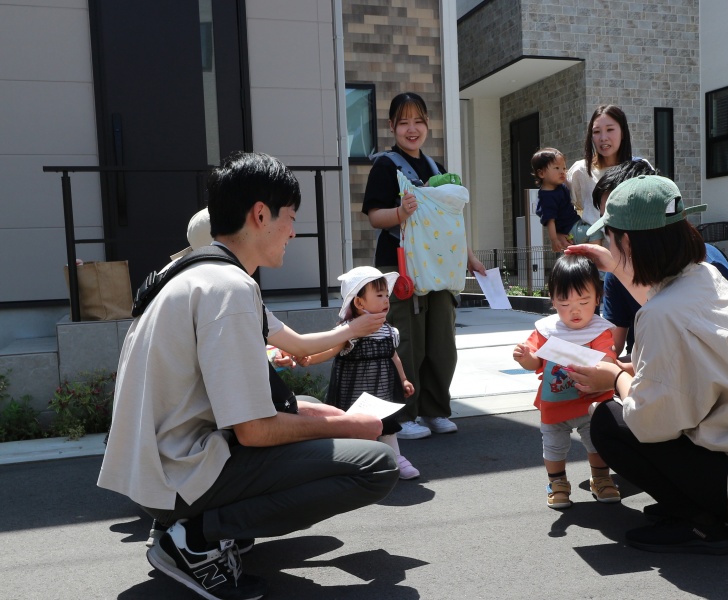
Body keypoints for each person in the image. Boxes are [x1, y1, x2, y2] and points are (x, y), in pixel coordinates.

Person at [98, 152, 399, 600]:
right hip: (180, 478)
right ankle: (196, 540)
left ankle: (202, 527)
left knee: (310, 410)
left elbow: (254, 394)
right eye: (290, 217)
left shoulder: (190, 274)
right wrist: (348, 425)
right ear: (261, 215)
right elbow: (255, 430)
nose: (293, 232)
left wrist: (321, 415)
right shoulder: (231, 289)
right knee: (376, 465)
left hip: (156, 472)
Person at [565, 175, 728, 555]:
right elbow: (676, 327)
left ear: (627, 242)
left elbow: (649, 422)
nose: (607, 246)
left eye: (610, 238)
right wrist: (615, 266)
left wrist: (613, 377)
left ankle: (701, 523)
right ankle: (695, 505)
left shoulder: (662, 316)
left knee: (609, 422)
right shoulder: (705, 276)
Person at [362, 91, 486, 440]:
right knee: (406, 342)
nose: (412, 129)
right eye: (404, 122)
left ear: (428, 125)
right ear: (392, 126)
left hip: (440, 268)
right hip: (401, 268)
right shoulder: (385, 166)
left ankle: (435, 410)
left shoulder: (437, 170)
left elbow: (451, 223)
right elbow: (375, 217)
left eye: (418, 121)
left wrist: (470, 257)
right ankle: (404, 416)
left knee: (441, 343)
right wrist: (401, 212)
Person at [592, 159, 728, 359]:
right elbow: (613, 348)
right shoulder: (617, 273)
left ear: (629, 238)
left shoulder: (704, 272)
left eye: (610, 228)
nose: (607, 240)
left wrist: (616, 373)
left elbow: (693, 361)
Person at [512, 254, 621, 509]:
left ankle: (600, 478)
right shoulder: (546, 330)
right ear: (552, 301)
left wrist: (605, 360)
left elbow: (607, 361)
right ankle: (557, 483)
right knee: (553, 447)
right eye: (564, 303)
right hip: (555, 403)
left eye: (583, 301)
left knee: (597, 444)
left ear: (598, 298)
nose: (575, 310)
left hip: (591, 402)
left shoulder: (599, 329)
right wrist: (525, 358)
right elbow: (535, 362)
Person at [299, 266, 421, 480]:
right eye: (379, 295)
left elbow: (393, 355)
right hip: (355, 392)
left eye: (387, 295)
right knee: (355, 427)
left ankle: (395, 457)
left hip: (382, 389)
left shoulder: (388, 330)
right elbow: (331, 349)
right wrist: (309, 359)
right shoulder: (350, 330)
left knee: (387, 425)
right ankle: (357, 462)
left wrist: (403, 379)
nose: (386, 300)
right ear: (359, 302)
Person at [566, 104, 634, 231]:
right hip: (591, 242)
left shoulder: (639, 169)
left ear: (623, 132)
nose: (603, 138)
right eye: (596, 132)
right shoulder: (580, 170)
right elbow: (560, 206)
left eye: (610, 129)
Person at [531, 148, 600, 252]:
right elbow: (550, 221)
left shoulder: (558, 186)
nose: (562, 172)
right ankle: (594, 256)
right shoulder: (547, 197)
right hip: (570, 230)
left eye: (564, 168)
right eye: (557, 168)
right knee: (596, 232)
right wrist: (554, 240)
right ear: (541, 174)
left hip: (576, 223)